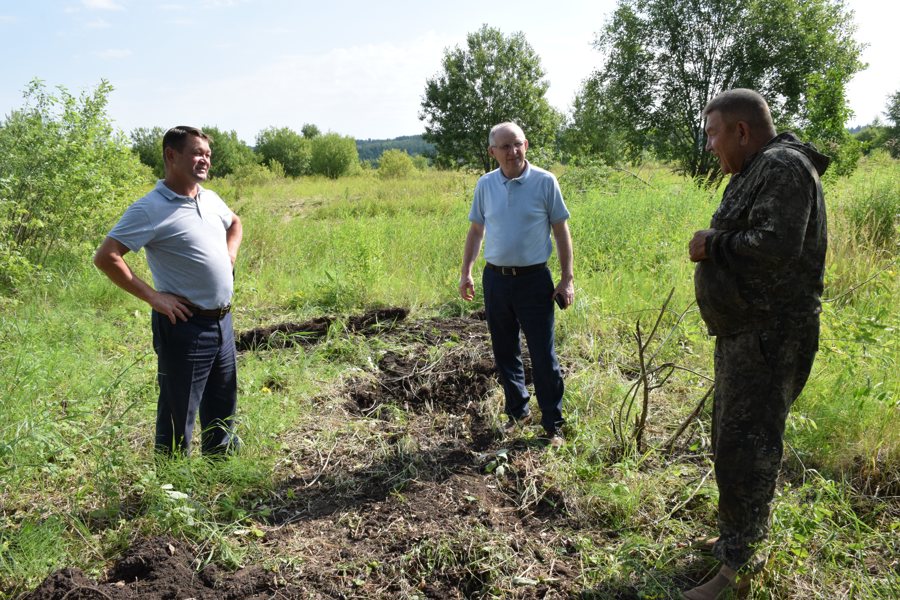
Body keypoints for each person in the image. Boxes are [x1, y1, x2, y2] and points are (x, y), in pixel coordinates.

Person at [685, 89, 829, 599]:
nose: (710, 147)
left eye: (713, 134)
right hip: (746, 335)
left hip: (770, 338)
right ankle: (735, 539)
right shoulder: (756, 169)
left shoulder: (784, 168)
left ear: (741, 131)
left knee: (749, 450)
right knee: (730, 440)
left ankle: (737, 573)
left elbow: (776, 246)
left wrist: (712, 242)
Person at [94, 125, 243, 457]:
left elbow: (235, 222)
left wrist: (230, 253)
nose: (204, 159)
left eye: (207, 154)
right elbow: (106, 256)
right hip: (185, 325)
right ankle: (172, 486)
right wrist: (154, 297)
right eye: (196, 153)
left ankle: (222, 470)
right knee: (178, 412)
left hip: (222, 321)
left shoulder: (210, 198)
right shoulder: (150, 208)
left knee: (222, 402)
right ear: (171, 156)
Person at [459, 122, 574, 448]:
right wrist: (466, 272)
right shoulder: (486, 185)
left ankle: (553, 426)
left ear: (526, 145)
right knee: (505, 351)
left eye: (517, 145)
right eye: (505, 147)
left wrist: (567, 279)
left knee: (542, 355)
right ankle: (518, 414)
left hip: (535, 281)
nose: (512, 152)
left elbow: (561, 231)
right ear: (492, 152)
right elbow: (476, 231)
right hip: (496, 280)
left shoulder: (544, 181)